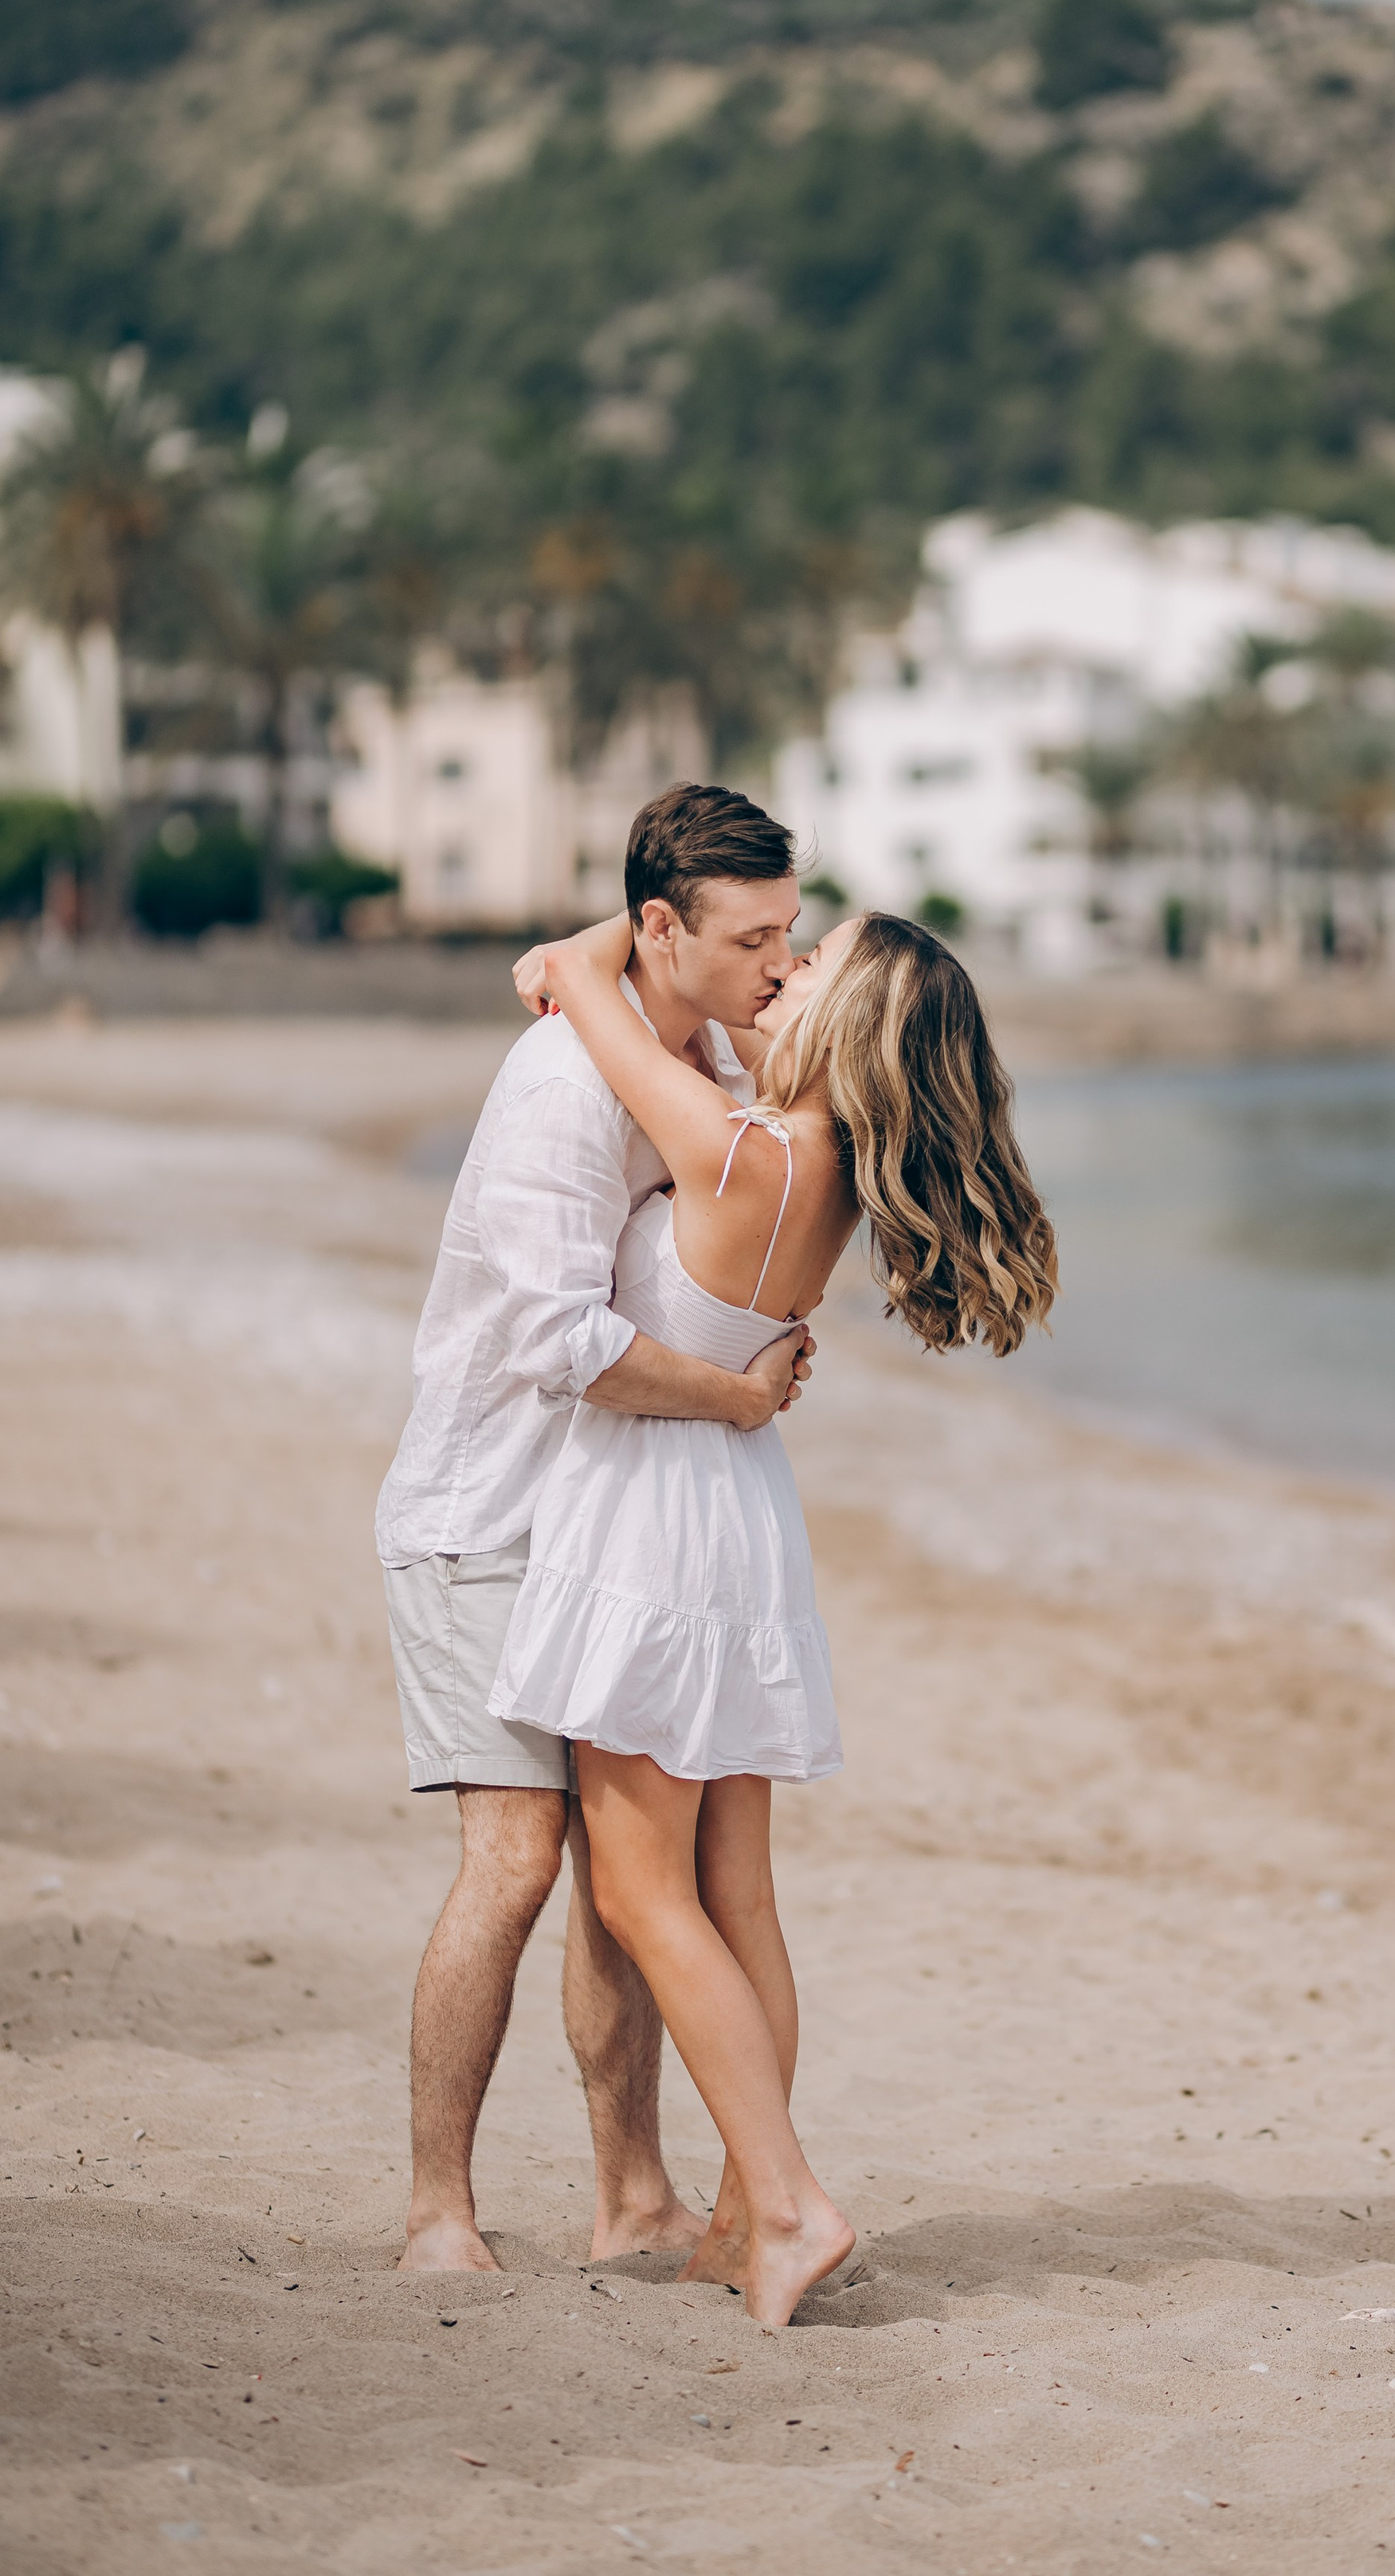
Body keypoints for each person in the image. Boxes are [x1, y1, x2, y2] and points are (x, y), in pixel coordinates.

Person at [489, 902, 1058, 2325]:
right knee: (735, 1891)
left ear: (845, 1025)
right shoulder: (818, 1160)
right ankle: (748, 2210)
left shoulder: (743, 1148)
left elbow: (589, 993)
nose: (778, 975)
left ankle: (790, 2200)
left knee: (638, 1890)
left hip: (656, 1530)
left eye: (807, 966)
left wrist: (580, 955)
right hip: (734, 1515)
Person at [377, 782, 815, 2274]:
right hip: (486, 1516)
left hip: (609, 1531)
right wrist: (734, 1401)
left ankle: (633, 2196)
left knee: (631, 1884)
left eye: (788, 934)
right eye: (752, 937)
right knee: (517, 1856)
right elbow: (560, 1337)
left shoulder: (690, 1048)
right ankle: (440, 2211)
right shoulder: (569, 1083)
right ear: (660, 928)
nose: (778, 964)